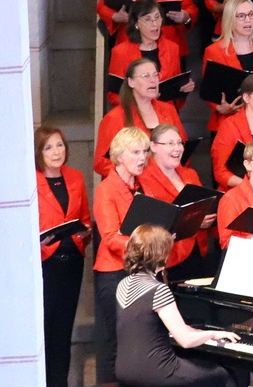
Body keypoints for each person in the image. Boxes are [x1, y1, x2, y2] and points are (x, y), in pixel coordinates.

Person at [115, 224, 246, 387]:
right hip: (159, 372)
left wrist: (200, 333)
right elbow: (185, 340)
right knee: (224, 375)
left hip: (125, 370)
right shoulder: (158, 290)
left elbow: (154, 327)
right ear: (160, 254)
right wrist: (213, 333)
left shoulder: (123, 284)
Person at [92, 126, 150, 387]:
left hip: (138, 272)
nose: (142, 157)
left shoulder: (140, 187)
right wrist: (148, 247)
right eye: (135, 152)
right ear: (119, 155)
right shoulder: (106, 189)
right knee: (116, 340)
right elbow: (110, 237)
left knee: (138, 339)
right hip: (114, 273)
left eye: (145, 151)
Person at [36, 126, 91, 387]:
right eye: (48, 147)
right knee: (44, 329)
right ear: (38, 153)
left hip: (72, 263)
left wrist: (84, 232)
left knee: (63, 329)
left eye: (59, 145)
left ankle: (60, 382)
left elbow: (85, 218)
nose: (56, 152)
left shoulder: (75, 177)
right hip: (45, 264)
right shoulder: (31, 181)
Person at [200, 0, 253, 132]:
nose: (248, 20)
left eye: (251, 14)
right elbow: (208, 90)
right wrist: (219, 107)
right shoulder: (214, 51)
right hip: (228, 124)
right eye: (241, 16)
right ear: (230, 19)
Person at [143, 124, 216, 280]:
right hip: (165, 256)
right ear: (153, 146)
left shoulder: (190, 174)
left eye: (179, 143)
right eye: (170, 143)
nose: (177, 148)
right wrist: (194, 221)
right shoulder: (143, 177)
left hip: (196, 249)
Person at [95, 58, 185, 178]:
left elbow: (183, 146)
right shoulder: (114, 118)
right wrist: (133, 173)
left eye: (155, 75)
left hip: (168, 180)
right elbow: (100, 162)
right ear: (131, 82)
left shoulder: (169, 110)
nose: (153, 80)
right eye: (145, 76)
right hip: (134, 183)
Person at [107, 0, 191, 109]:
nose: (155, 24)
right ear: (136, 24)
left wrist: (184, 89)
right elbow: (114, 95)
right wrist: (141, 102)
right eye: (148, 19)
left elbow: (176, 93)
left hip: (165, 114)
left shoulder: (172, 49)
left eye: (157, 17)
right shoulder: (120, 52)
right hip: (135, 115)